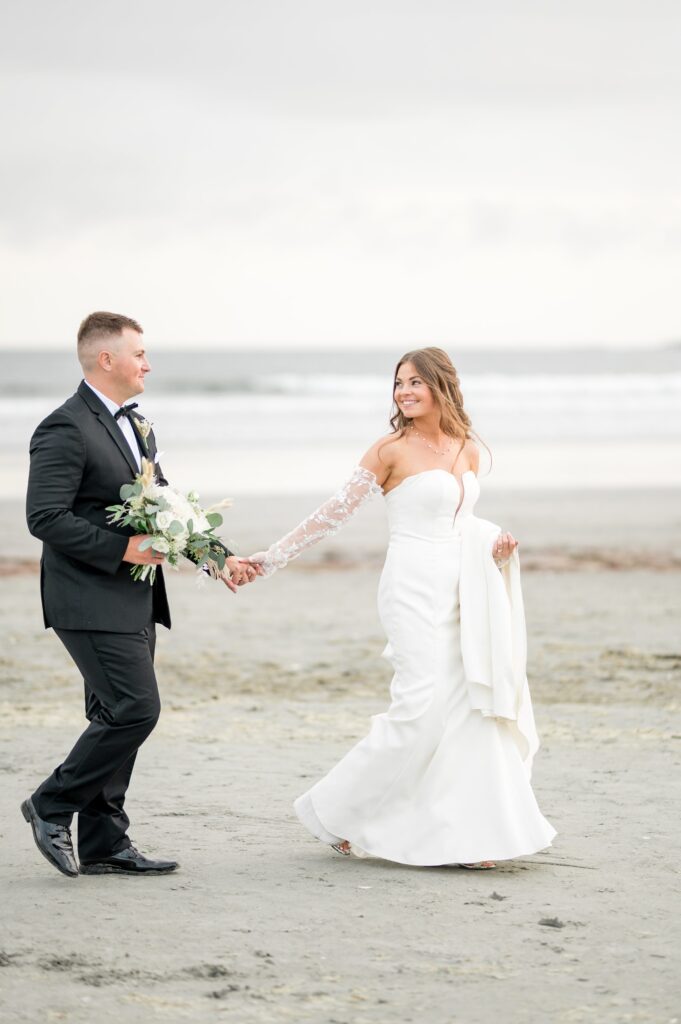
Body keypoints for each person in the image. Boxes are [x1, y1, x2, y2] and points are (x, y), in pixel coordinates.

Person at [246, 347, 556, 868]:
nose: (405, 392)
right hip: (411, 588)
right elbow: (331, 515)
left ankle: (467, 834)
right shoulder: (389, 450)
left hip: (464, 589)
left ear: (442, 387)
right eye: (399, 384)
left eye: (415, 382)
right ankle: (333, 812)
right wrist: (269, 559)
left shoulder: (468, 450)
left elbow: (462, 526)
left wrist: (494, 548)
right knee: (418, 707)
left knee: (464, 708)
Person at [21, 311, 256, 878]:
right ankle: (51, 803)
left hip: (133, 597)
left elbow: (166, 506)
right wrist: (122, 549)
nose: (148, 363)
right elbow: (43, 517)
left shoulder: (139, 426)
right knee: (135, 709)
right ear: (108, 359)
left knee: (110, 711)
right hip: (86, 595)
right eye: (140, 353)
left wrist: (216, 557)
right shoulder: (64, 427)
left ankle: (105, 842)